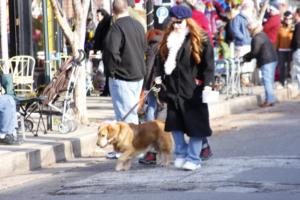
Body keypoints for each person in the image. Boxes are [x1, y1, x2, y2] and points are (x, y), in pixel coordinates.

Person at [155, 5, 215, 171]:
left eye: (179, 22)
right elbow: (159, 61)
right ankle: (181, 154)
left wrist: (208, 84)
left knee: (197, 127)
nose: (176, 26)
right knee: (176, 126)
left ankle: (194, 158)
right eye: (173, 22)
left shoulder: (200, 39)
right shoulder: (168, 39)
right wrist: (158, 77)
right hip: (173, 91)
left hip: (193, 91)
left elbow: (209, 65)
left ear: (188, 21)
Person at [102, 0, 146, 158]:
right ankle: (122, 148)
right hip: (138, 74)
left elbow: (111, 52)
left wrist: (111, 72)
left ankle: (135, 148)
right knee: (129, 113)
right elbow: (144, 48)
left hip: (122, 76)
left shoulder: (116, 28)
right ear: (127, 8)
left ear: (113, 11)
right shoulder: (139, 25)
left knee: (126, 115)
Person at [243, 21, 278, 108]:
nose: (248, 31)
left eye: (248, 30)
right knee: (269, 80)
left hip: (266, 60)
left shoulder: (257, 37)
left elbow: (254, 51)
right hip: (271, 59)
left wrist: (245, 58)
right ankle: (271, 99)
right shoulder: (262, 34)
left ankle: (269, 100)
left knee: (267, 81)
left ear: (251, 29)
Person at [93, 8, 113, 97]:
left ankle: (108, 90)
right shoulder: (103, 23)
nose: (97, 17)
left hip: (107, 50)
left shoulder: (107, 23)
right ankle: (107, 90)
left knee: (108, 71)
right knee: (106, 71)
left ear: (103, 15)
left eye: (98, 15)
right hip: (104, 50)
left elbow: (102, 37)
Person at [276, 11, 293, 87]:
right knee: (281, 67)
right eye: (286, 19)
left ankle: (289, 81)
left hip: (291, 50)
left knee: (290, 67)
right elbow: (277, 40)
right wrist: (276, 49)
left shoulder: (293, 28)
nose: (288, 20)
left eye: (290, 19)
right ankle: (282, 82)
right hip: (281, 50)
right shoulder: (280, 28)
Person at [291, 7, 300, 89]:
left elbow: (297, 39)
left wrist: (293, 48)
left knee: (298, 69)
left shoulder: (298, 25)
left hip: (298, 50)